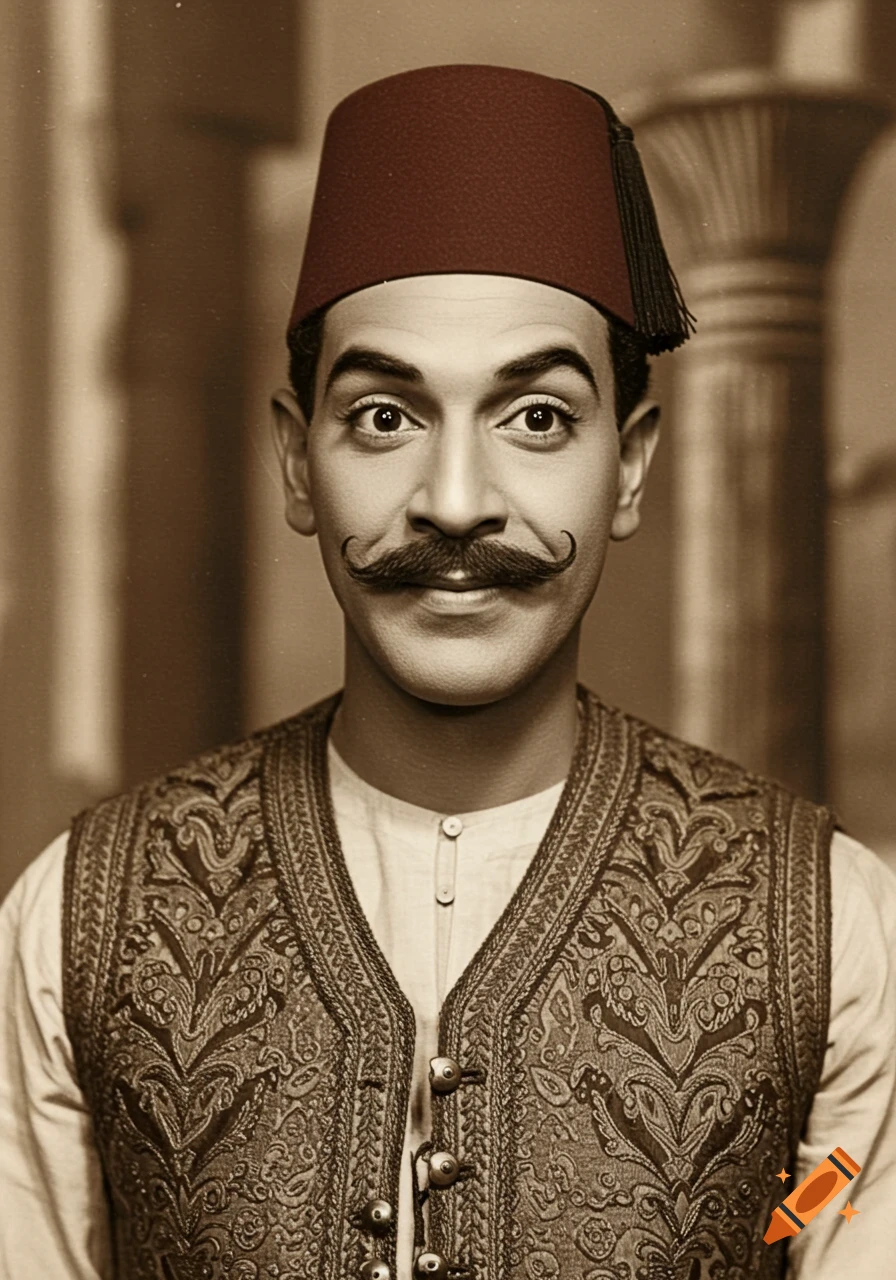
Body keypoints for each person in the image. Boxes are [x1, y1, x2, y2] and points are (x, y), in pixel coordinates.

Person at [1, 63, 895, 1280]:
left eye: (534, 417)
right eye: (384, 416)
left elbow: (823, 1225)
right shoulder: (74, 923)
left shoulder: (835, 930)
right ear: (295, 460)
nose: (458, 502)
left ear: (628, 464)